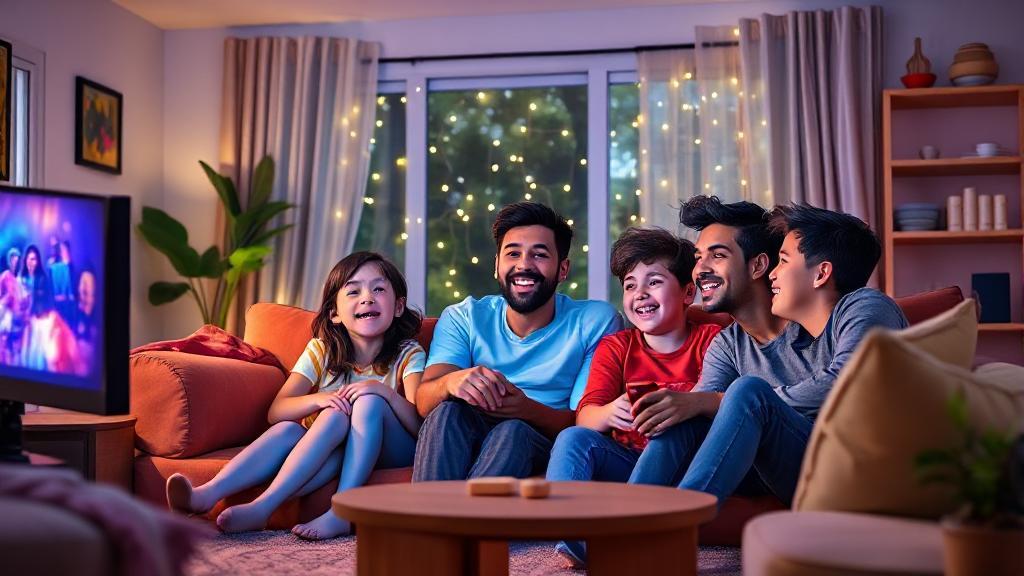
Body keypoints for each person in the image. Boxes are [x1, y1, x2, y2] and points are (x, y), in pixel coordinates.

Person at [631, 198, 908, 510]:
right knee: (687, 414)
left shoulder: (866, 306)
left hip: (858, 472)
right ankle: (615, 527)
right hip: (792, 466)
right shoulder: (729, 343)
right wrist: (686, 406)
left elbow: (850, 383)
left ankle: (682, 519)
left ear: (820, 274)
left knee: (748, 392)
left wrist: (722, 402)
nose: (773, 275)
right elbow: (702, 410)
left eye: (784, 262)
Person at [165, 252, 426, 540]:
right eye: (354, 291)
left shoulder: (408, 353)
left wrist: (382, 392)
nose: (367, 298)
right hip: (334, 446)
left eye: (379, 289)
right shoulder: (321, 350)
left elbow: (419, 424)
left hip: (391, 447)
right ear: (334, 313)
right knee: (296, 427)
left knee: (366, 402)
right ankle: (211, 495)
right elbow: (276, 411)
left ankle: (342, 511)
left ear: (398, 306)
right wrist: (320, 399)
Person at [545, 227, 722, 566]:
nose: (639, 293)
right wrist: (610, 412)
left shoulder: (712, 339)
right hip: (628, 462)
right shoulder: (617, 346)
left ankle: (628, 532)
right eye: (629, 285)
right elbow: (585, 414)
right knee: (573, 438)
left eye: (654, 282)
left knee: (672, 424)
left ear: (688, 293)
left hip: (689, 466)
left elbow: (725, 405)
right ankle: (573, 539)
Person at [412, 202, 621, 481]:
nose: (524, 264)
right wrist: (450, 382)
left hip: (536, 437)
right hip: (469, 428)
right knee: (446, 411)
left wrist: (524, 409)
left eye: (539, 254)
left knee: (513, 431)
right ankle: (426, 520)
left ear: (563, 269)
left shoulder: (595, 320)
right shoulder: (464, 317)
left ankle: (461, 521)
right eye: (513, 254)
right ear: (497, 265)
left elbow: (585, 422)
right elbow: (424, 403)